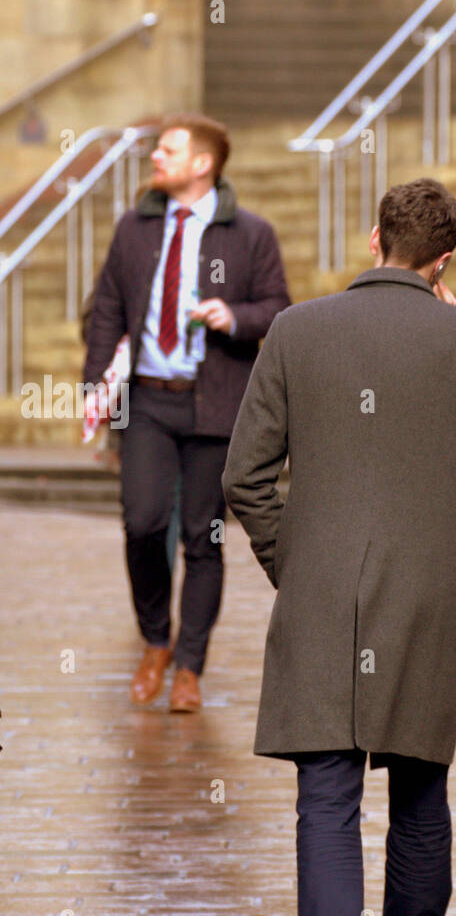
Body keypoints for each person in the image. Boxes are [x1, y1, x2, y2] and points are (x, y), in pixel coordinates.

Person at [222, 178, 456, 916]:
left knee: (326, 796)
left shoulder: (296, 329)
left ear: (374, 236)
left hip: (321, 589)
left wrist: (295, 569)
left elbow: (244, 478)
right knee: (420, 794)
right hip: (425, 591)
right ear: (444, 260)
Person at [82, 113, 291, 712]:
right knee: (142, 521)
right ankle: (156, 639)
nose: (154, 158)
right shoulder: (133, 227)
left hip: (217, 403)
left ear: (202, 163)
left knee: (204, 538)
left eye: (166, 150)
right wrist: (95, 387)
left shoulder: (251, 234)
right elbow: (106, 312)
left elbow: (279, 308)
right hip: (145, 400)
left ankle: (190, 666)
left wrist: (237, 318)